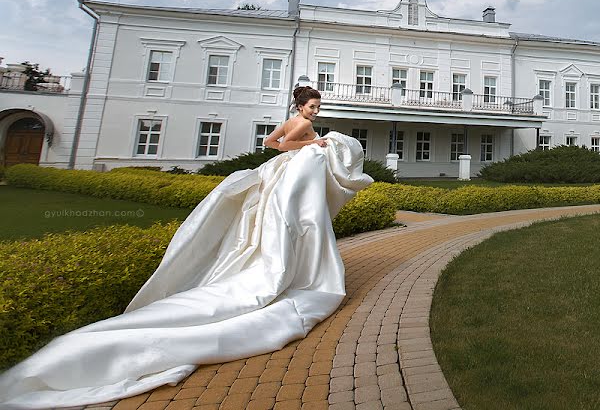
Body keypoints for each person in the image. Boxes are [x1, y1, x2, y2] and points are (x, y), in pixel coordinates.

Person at [0, 85, 372, 410]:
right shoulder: (304, 128)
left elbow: (271, 144)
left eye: (317, 108)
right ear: (301, 108)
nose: (315, 112)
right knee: (292, 222)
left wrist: (295, 149)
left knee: (269, 222)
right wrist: (313, 143)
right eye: (312, 107)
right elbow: (288, 145)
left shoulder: (289, 121)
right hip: (289, 173)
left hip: (281, 173)